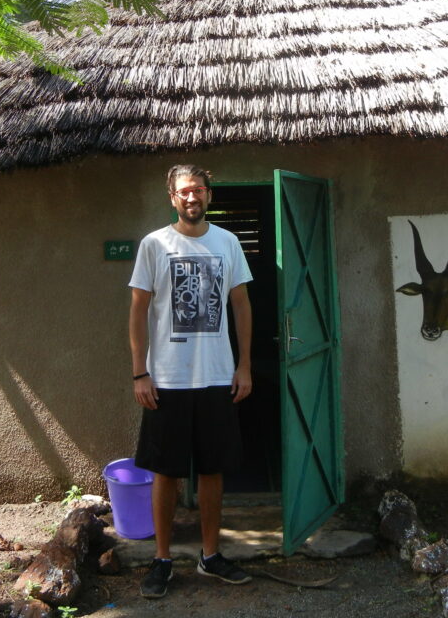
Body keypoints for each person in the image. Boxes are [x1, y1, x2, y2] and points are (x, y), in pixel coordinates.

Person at [128, 164, 254, 599]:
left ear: (209, 196)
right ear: (172, 198)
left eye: (198, 190)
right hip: (167, 379)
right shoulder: (154, 245)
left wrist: (244, 366)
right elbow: (138, 312)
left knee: (213, 469)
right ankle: (162, 560)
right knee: (166, 471)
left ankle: (211, 555)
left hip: (218, 376)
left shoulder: (228, 242)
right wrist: (140, 371)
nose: (192, 197)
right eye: (184, 192)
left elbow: (241, 306)